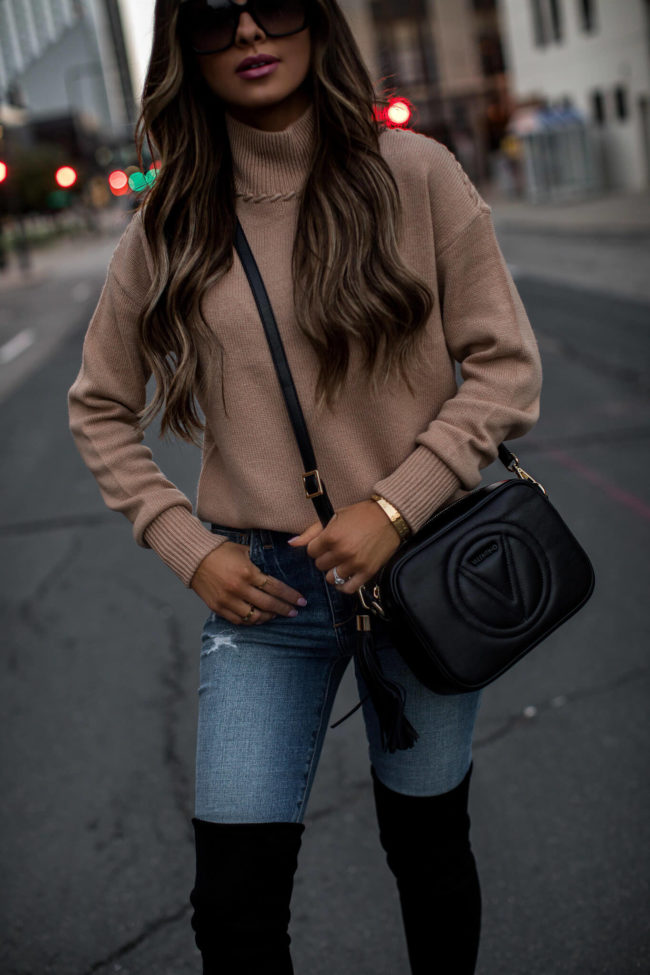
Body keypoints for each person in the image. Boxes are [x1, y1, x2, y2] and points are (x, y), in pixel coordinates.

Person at [67, 0, 542, 971]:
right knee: (233, 907)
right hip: (264, 602)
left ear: (316, 23)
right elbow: (97, 407)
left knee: (427, 852)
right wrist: (185, 545)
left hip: (422, 585)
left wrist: (394, 502)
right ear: (183, 51)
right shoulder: (169, 222)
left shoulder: (413, 175)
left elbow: (505, 370)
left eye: (270, 6)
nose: (246, 34)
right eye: (211, 17)